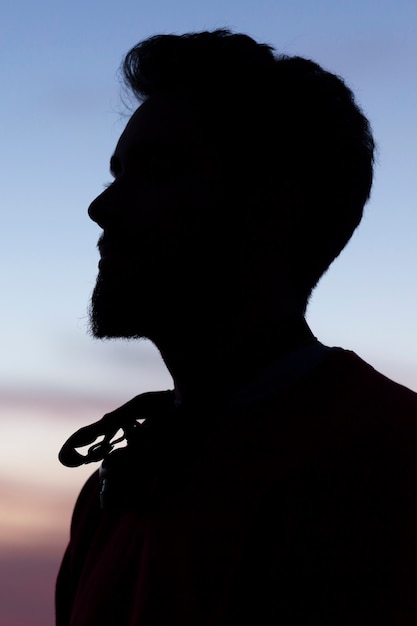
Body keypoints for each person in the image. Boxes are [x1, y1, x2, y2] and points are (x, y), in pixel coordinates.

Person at [55, 29, 417, 625]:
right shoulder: (116, 493)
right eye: (118, 173)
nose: (103, 207)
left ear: (273, 210)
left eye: (157, 171)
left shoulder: (384, 467)